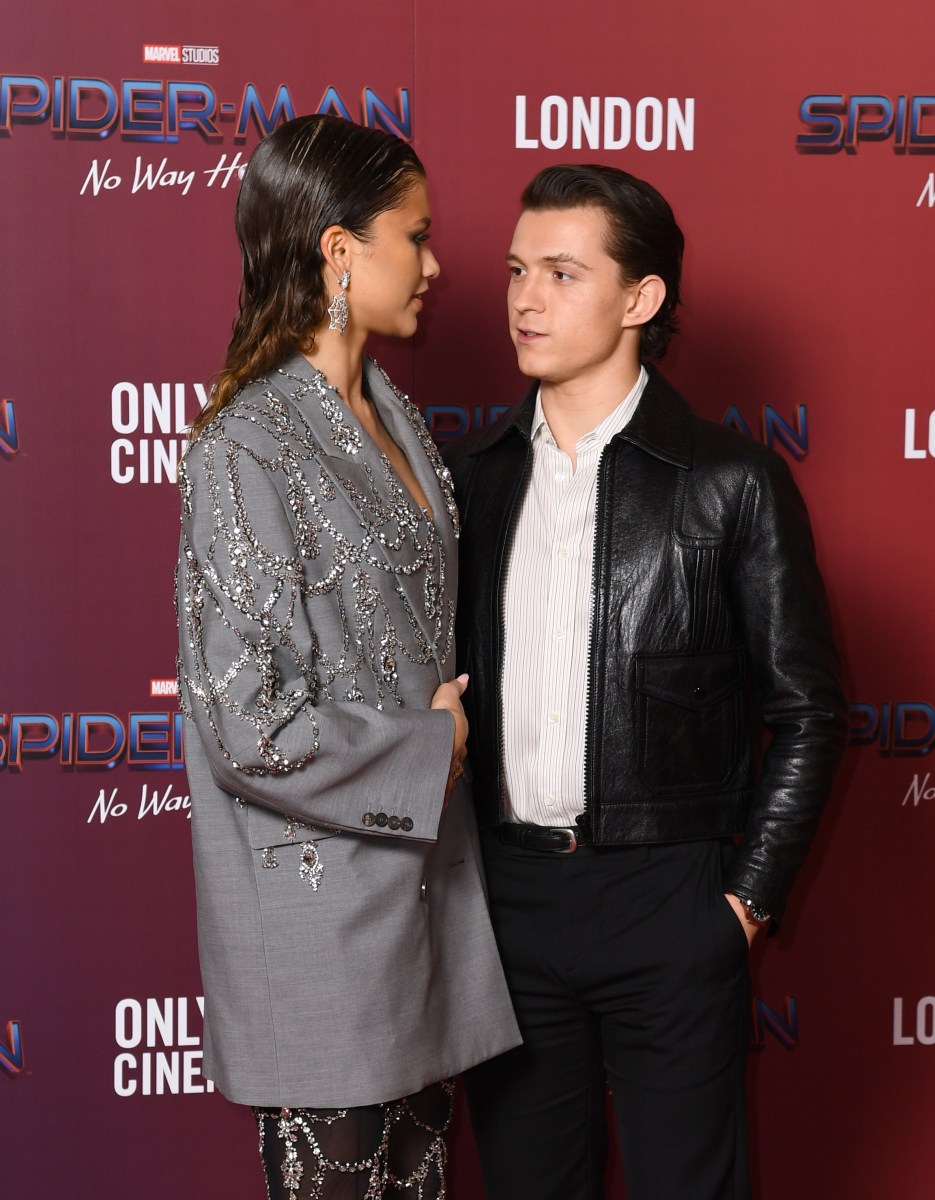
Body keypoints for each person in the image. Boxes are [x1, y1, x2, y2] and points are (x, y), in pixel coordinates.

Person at [443, 164, 848, 1200]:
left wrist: (741, 904)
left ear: (640, 299)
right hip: (508, 907)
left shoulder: (729, 483)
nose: (525, 298)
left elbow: (805, 711)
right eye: (516, 269)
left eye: (563, 273)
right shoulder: (469, 481)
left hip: (668, 902)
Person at [176, 114, 519, 1200]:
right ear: (337, 251)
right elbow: (245, 727)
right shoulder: (245, 446)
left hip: (425, 910)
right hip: (320, 925)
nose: (435, 265)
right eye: (411, 238)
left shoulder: (395, 417)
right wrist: (434, 747)